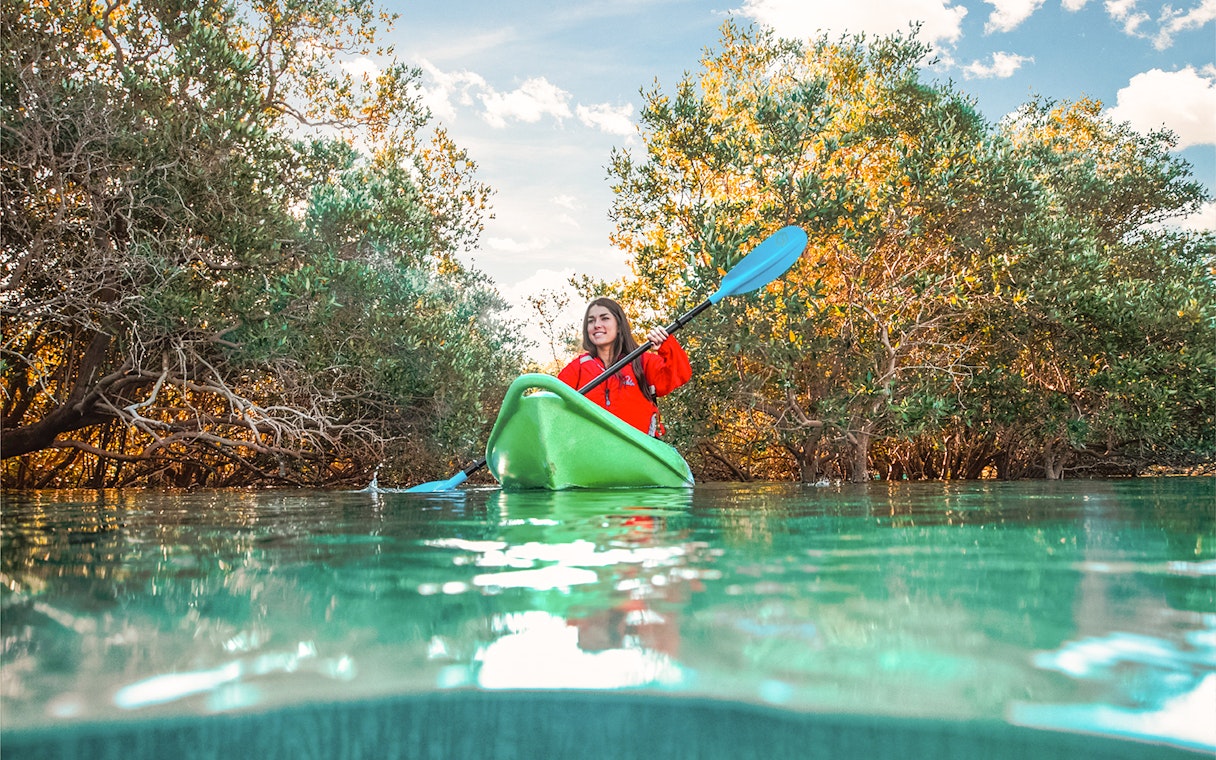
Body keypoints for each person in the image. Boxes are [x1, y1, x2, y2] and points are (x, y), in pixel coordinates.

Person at [557, 297, 692, 436]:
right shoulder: (578, 367)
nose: (596, 325)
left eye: (604, 318)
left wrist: (666, 344)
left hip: (636, 450)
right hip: (592, 450)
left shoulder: (641, 362)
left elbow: (680, 373)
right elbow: (553, 401)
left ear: (619, 326)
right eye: (591, 321)